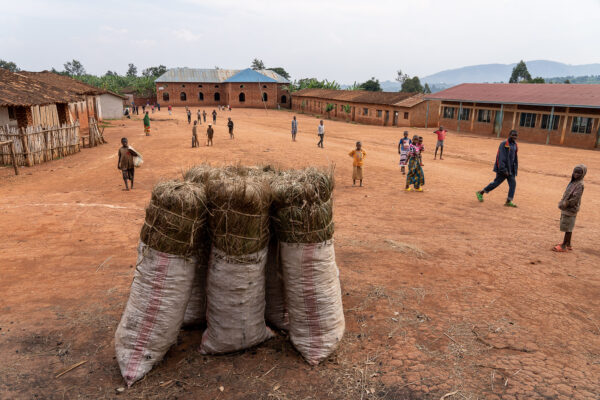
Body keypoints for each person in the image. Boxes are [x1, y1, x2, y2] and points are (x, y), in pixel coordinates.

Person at [476, 130, 519, 207]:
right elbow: (501, 157)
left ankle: (508, 201)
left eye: (516, 135)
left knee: (513, 184)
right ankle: (481, 192)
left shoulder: (515, 145)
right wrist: (503, 169)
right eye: (513, 135)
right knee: (496, 183)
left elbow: (514, 158)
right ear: (509, 135)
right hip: (503, 169)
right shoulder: (504, 144)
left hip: (511, 170)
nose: (514, 137)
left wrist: (514, 169)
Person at [553, 165, 587, 252]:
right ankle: (568, 243)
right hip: (568, 208)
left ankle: (564, 246)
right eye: (575, 172)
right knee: (569, 226)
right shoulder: (574, 182)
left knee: (567, 227)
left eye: (579, 173)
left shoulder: (580, 185)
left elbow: (575, 199)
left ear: (583, 174)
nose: (576, 174)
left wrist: (565, 204)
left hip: (570, 208)